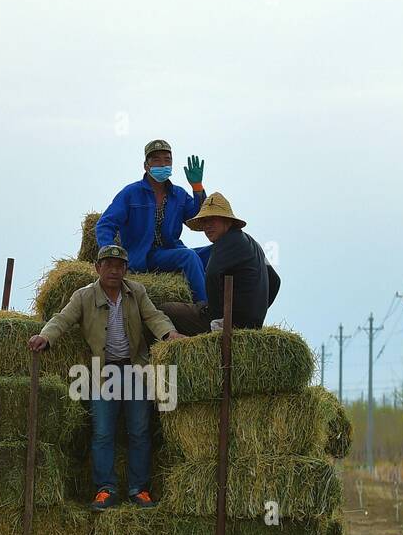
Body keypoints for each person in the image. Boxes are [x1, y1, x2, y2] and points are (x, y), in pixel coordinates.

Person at [28, 244, 177, 510]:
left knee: (140, 431)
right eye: (107, 265)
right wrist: (45, 336)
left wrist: (170, 335)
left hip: (135, 370)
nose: (113, 270)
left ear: (125, 270)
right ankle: (105, 489)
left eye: (119, 266)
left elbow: (155, 317)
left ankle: (139, 489)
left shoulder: (137, 292)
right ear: (97, 268)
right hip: (102, 374)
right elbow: (61, 319)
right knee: (103, 433)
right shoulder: (84, 296)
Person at [95, 139, 211, 302]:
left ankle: (233, 309)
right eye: (156, 159)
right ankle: (206, 307)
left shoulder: (178, 194)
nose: (163, 164)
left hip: (172, 251)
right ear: (146, 165)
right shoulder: (131, 193)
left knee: (219, 250)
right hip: (143, 255)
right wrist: (111, 255)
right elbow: (105, 224)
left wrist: (197, 187)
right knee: (189, 256)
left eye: (167, 160)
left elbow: (199, 220)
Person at [158, 192, 281, 336]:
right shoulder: (254, 244)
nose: (207, 226)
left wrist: (215, 316)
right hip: (249, 324)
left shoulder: (226, 241)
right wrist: (256, 314)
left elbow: (212, 273)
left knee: (163, 310)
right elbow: (276, 281)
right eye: (204, 221)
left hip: (229, 322)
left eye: (213, 220)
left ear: (227, 221)